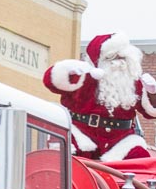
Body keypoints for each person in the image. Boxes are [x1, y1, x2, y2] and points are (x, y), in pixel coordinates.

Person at [43, 32, 156, 161]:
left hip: (120, 142)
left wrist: (153, 94)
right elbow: (50, 82)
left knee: (140, 162)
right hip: (83, 136)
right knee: (67, 163)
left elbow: (150, 113)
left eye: (123, 58)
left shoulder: (133, 83)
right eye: (113, 58)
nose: (119, 63)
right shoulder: (85, 78)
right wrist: (70, 69)